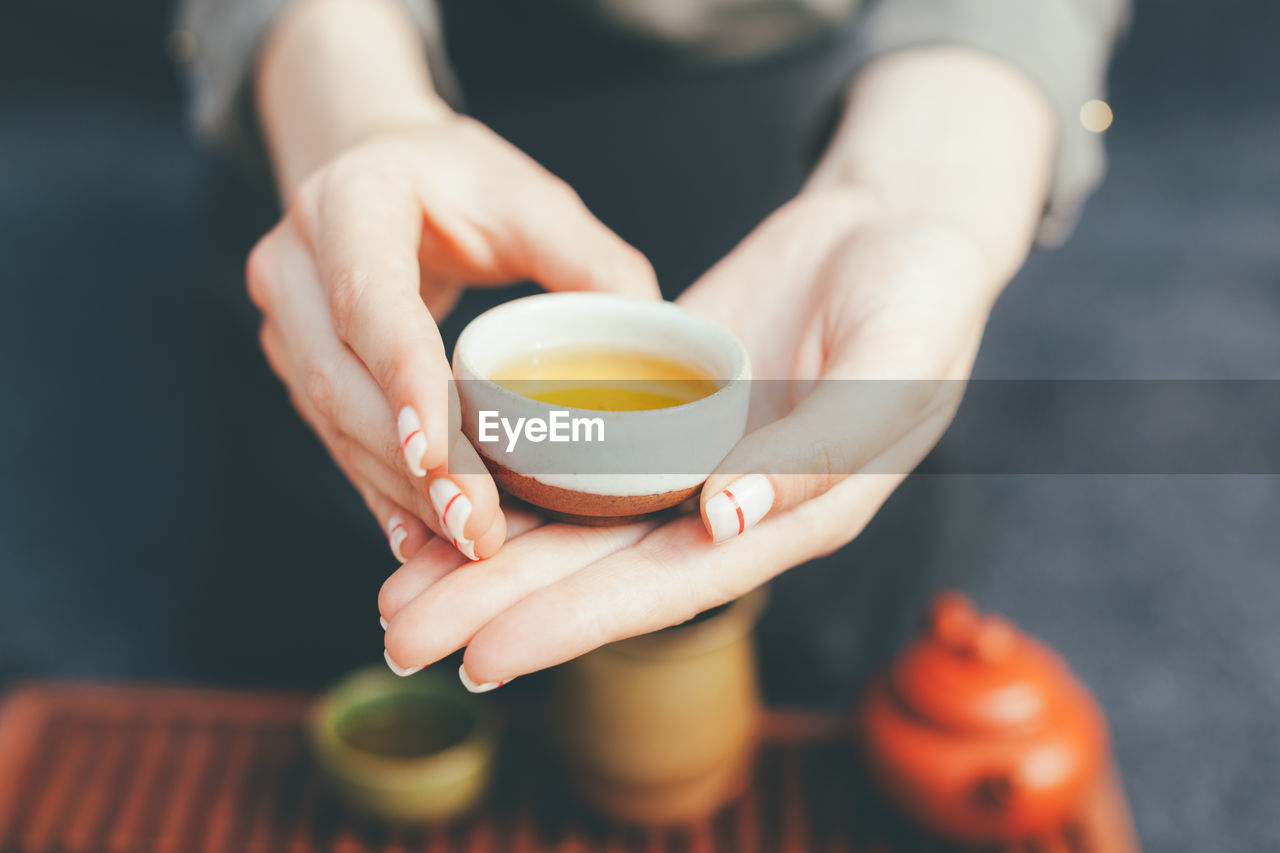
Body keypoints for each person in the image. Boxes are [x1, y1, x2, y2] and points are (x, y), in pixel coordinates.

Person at [178, 0, 1128, 693]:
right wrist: (355, 118)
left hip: (814, 109)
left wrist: (923, 189)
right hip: (367, 85)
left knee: (810, 601)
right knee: (350, 587)